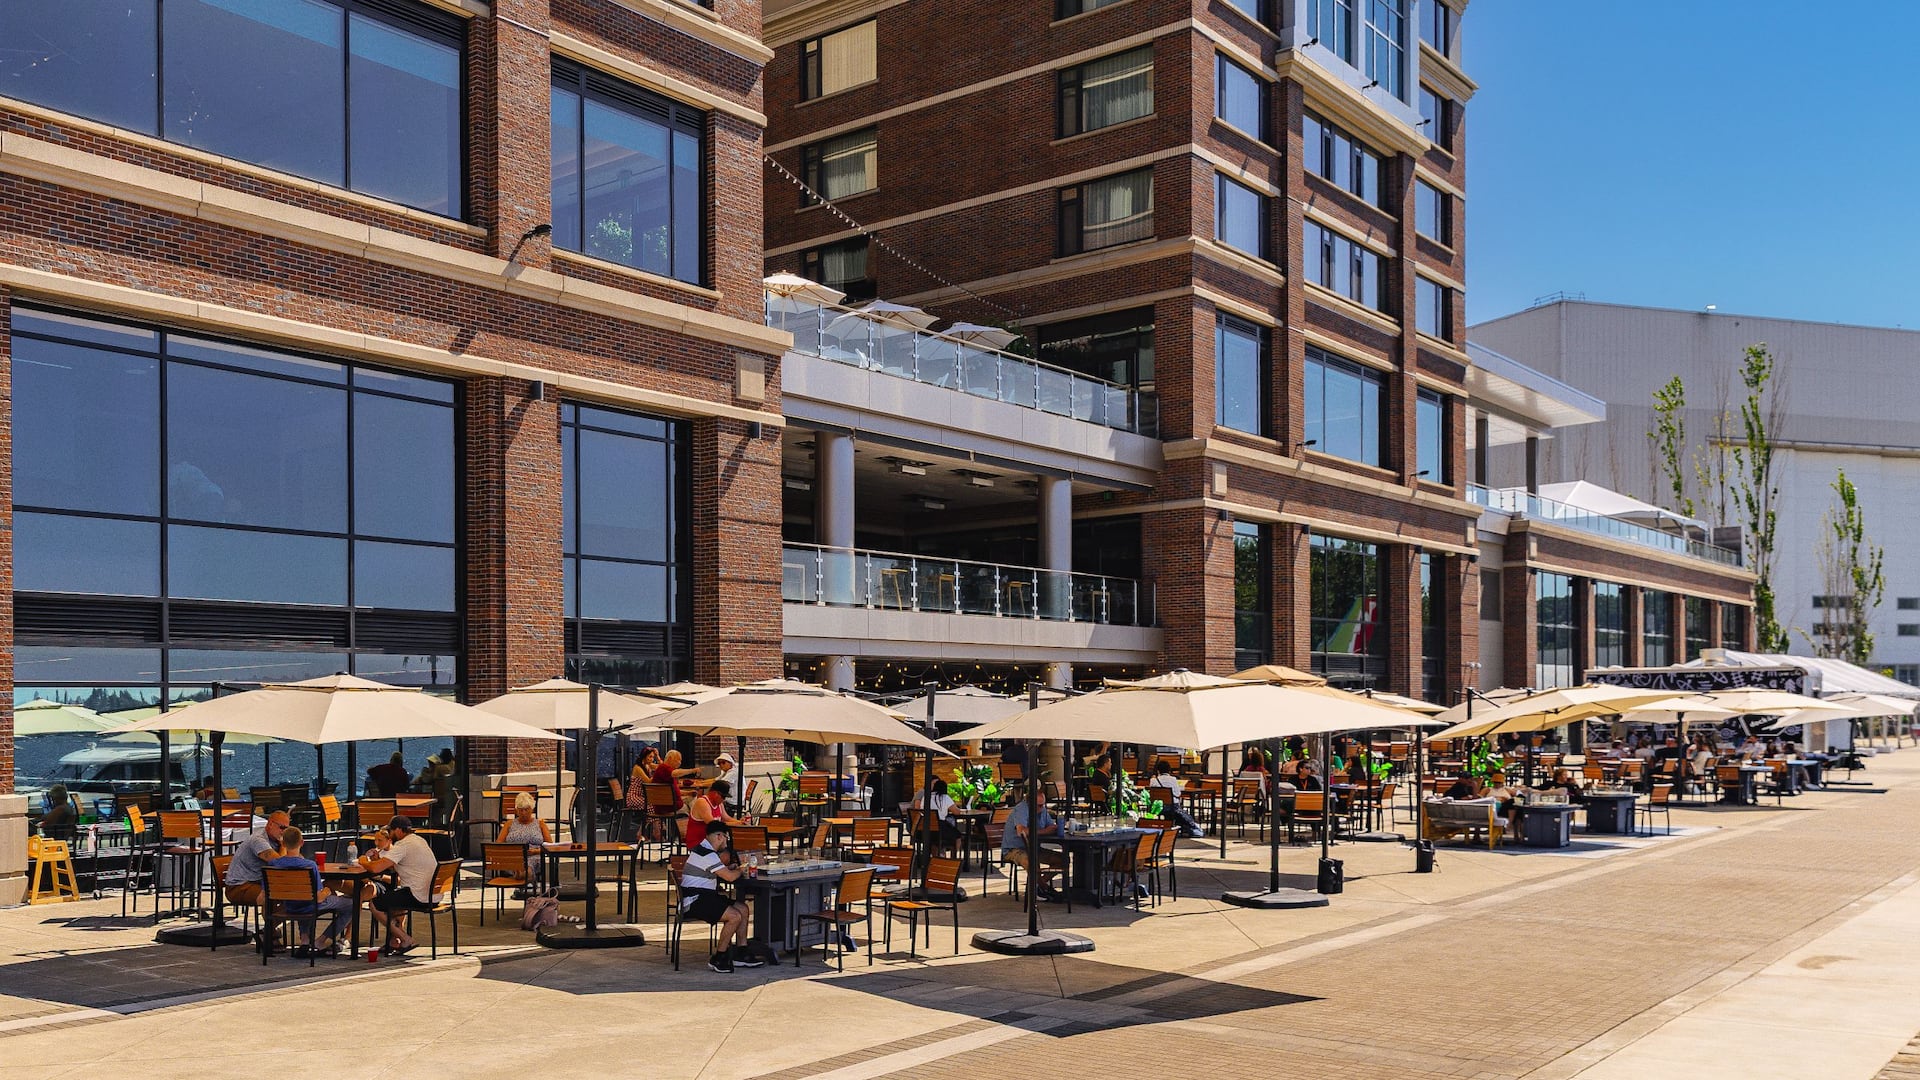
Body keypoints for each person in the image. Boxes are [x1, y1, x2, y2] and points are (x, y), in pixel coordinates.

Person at [679, 821, 764, 972]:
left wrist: (730, 869)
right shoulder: (707, 854)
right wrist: (743, 868)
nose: (726, 842)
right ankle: (719, 957)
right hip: (695, 901)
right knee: (735, 916)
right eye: (726, 838)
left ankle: (741, 952)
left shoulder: (704, 850)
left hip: (705, 896)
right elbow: (730, 878)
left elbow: (721, 872)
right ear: (719, 836)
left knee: (743, 909)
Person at [267, 826, 352, 955]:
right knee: (352, 904)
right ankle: (321, 941)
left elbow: (264, 896)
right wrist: (327, 891)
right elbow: (318, 898)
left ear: (283, 843)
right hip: (310, 906)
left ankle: (305, 940)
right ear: (302, 842)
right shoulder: (309, 865)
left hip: (289, 906)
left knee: (302, 898)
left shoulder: (273, 865)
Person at [360, 816, 438, 955]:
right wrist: (381, 861)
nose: (390, 835)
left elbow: (375, 869)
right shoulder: (419, 840)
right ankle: (393, 941)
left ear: (398, 830)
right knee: (393, 901)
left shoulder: (403, 845)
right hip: (434, 895)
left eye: (391, 831)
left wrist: (363, 861)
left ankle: (406, 939)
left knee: (374, 904)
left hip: (419, 895)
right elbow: (401, 865)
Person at [1002, 786, 1065, 901]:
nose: (1042, 808)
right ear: (1030, 803)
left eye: (1044, 805)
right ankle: (1042, 888)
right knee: (1031, 860)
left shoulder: (1042, 810)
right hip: (1014, 849)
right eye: (1040, 805)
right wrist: (1045, 831)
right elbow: (1021, 831)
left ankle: (1038, 886)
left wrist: (1053, 828)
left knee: (1063, 860)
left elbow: (1051, 825)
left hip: (1034, 847)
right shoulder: (1021, 809)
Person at [223, 809, 290, 910]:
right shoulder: (259, 840)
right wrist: (284, 845)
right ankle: (270, 925)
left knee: (294, 892)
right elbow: (279, 864)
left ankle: (272, 924)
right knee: (274, 895)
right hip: (239, 887)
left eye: (287, 829)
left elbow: (293, 859)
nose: (284, 832)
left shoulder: (276, 840)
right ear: (271, 824)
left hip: (258, 883)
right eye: (282, 827)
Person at [496, 791, 552, 882]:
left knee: (530, 864)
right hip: (514, 856)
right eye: (520, 810)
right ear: (516, 810)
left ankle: (522, 874)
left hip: (534, 856)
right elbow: (498, 844)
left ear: (532, 809)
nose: (523, 813)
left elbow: (549, 846)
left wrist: (535, 851)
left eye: (526, 809)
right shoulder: (509, 824)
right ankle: (522, 875)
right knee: (517, 863)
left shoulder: (540, 824)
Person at [1150, 761, 1205, 838]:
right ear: (1169, 770)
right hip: (1172, 807)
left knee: (1177, 813)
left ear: (1158, 771)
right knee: (1180, 812)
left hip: (1158, 808)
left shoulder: (1153, 780)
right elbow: (1178, 794)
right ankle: (1189, 829)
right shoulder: (1173, 779)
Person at [684, 778, 740, 851]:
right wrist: (734, 824)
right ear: (716, 794)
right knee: (730, 853)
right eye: (723, 797)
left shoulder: (719, 804)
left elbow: (726, 818)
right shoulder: (702, 802)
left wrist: (740, 822)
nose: (724, 799)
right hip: (699, 844)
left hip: (712, 843)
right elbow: (712, 824)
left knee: (737, 848)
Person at [912, 778, 961, 851]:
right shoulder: (945, 797)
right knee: (958, 835)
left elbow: (921, 810)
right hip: (940, 828)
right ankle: (954, 858)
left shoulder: (926, 797)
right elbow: (957, 812)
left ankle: (936, 856)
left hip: (924, 829)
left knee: (934, 840)